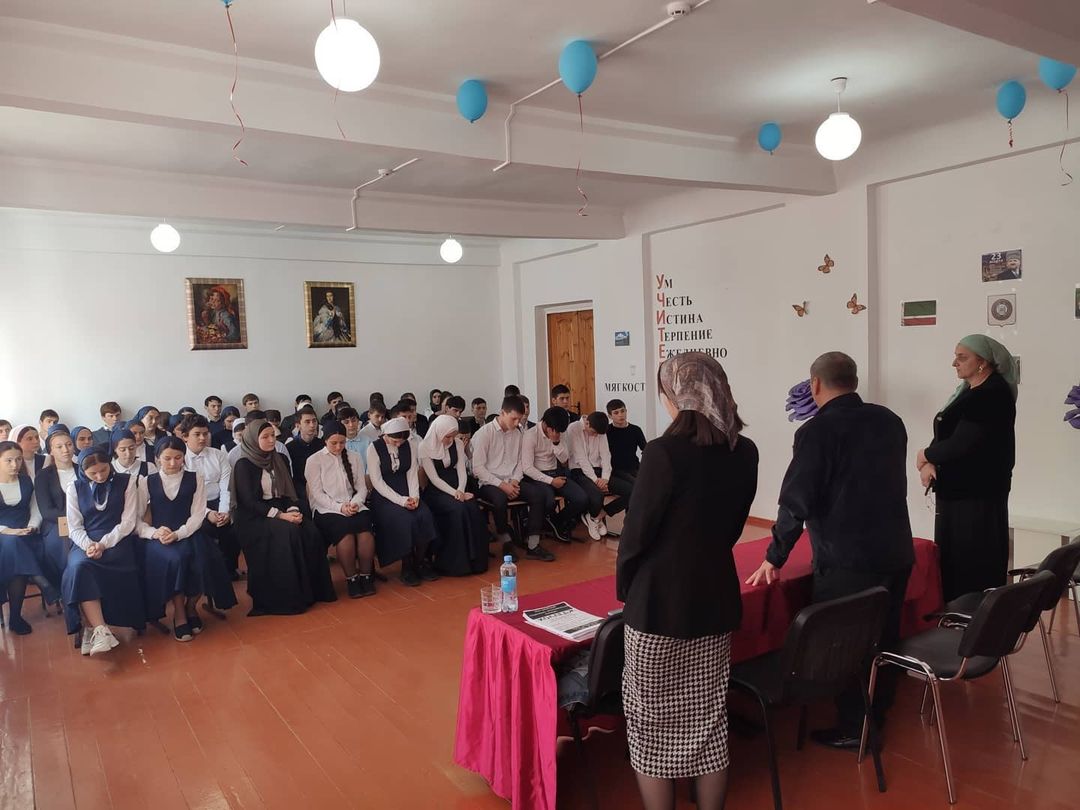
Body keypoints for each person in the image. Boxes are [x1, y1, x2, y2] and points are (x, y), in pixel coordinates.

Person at [746, 351, 914, 750]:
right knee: (884, 635)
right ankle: (878, 709)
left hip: (849, 559)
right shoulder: (890, 420)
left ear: (815, 385)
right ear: (853, 381)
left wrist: (774, 556)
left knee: (847, 644)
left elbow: (796, 500)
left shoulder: (817, 431)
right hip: (896, 550)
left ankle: (856, 727)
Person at [617, 352, 758, 810]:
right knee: (708, 719)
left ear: (676, 397)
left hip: (658, 604)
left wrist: (626, 589)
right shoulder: (745, 451)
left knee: (650, 723)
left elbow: (635, 536)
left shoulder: (663, 452)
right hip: (715, 598)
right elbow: (733, 529)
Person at [917, 335, 1018, 602]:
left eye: (962, 357)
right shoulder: (970, 391)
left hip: (975, 494)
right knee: (955, 562)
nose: (955, 363)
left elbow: (963, 443)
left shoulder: (991, 394)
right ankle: (957, 615)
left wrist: (924, 455)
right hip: (960, 492)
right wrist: (930, 460)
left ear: (983, 362)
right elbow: (947, 433)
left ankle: (972, 618)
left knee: (971, 564)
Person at [230, 419, 336, 615]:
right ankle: (286, 599)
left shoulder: (279, 458)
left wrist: (293, 509)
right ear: (253, 440)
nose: (272, 440)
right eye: (265, 437)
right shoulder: (243, 465)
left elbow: (289, 490)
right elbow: (249, 502)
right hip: (254, 517)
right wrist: (282, 516)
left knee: (310, 531)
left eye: (273, 435)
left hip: (281, 507)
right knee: (288, 532)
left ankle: (312, 592)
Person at [61, 446, 146, 656]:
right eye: (93, 473)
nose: (100, 476)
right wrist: (89, 545)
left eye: (104, 470)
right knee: (79, 566)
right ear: (83, 472)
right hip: (85, 541)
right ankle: (100, 630)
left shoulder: (127, 481)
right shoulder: (74, 488)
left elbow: (128, 522)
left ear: (110, 465)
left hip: (117, 539)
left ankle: (94, 630)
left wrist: (103, 544)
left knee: (109, 562)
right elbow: (74, 526)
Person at [136, 436, 206, 641]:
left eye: (178, 457)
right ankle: (180, 613)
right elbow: (136, 520)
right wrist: (154, 533)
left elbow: (198, 514)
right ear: (157, 459)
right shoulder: (147, 482)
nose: (173, 463)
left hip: (188, 533)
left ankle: (191, 606)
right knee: (176, 560)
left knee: (204, 561)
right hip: (160, 538)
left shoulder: (196, 478)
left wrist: (179, 533)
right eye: (167, 458)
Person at [305, 420, 377, 598]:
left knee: (365, 532)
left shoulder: (354, 457)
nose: (338, 447)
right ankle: (351, 579)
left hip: (354, 505)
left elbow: (361, 488)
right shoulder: (314, 460)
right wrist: (340, 507)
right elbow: (316, 494)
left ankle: (366, 576)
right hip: (327, 509)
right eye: (334, 443)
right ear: (325, 441)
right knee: (345, 534)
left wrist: (355, 503)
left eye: (342, 442)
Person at [366, 416, 439, 586]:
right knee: (405, 520)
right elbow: (377, 482)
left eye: (401, 441)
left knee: (425, 516)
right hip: (385, 496)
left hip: (408, 491)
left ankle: (419, 562)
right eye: (395, 441)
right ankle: (406, 566)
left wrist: (415, 497)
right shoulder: (373, 448)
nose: (399, 444)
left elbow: (412, 473)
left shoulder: (410, 446)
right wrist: (401, 501)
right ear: (386, 435)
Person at [417, 415, 492, 575]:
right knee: (458, 509)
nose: (450, 440)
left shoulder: (457, 443)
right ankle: (454, 563)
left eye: (453, 436)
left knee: (472, 508)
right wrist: (455, 493)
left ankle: (476, 561)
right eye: (447, 436)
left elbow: (461, 470)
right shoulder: (424, 447)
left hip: (458, 486)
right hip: (437, 491)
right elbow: (434, 478)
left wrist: (461, 490)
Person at [0, 440, 62, 634]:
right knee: (12, 544)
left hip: (25, 534)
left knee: (17, 559)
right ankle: (41, 581)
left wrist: (31, 526)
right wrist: (8, 531)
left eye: (18, 459)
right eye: (9, 460)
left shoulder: (26, 481)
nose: (15, 464)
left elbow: (36, 508)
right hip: (2, 534)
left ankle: (16, 616)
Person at [181, 415, 242, 583]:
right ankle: (209, 573)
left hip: (220, 501)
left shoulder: (218, 455)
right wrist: (207, 513)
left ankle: (229, 569)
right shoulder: (180, 458)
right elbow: (187, 493)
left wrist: (224, 511)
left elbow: (226, 485)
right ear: (185, 436)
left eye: (205, 433)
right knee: (205, 530)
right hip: (192, 506)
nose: (203, 438)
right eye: (197, 434)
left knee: (233, 529)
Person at [520, 406, 588, 546]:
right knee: (549, 502)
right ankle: (545, 526)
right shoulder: (530, 435)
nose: (557, 433)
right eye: (555, 430)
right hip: (537, 477)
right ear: (545, 424)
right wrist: (551, 481)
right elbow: (527, 468)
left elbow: (564, 460)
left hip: (556, 473)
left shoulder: (559, 434)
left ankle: (555, 522)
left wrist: (556, 442)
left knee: (581, 499)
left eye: (559, 431)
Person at [471, 396, 529, 557]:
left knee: (538, 494)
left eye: (519, 419)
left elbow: (520, 462)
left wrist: (515, 480)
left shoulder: (517, 433)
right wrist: (503, 485)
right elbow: (478, 468)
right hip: (489, 482)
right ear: (502, 413)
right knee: (500, 500)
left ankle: (532, 542)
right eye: (514, 418)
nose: (517, 423)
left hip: (512, 480)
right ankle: (506, 541)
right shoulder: (484, 433)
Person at [565, 412, 629, 539]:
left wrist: (605, 478)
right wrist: (595, 480)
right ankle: (593, 517)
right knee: (597, 495)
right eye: (594, 432)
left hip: (600, 472)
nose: (595, 435)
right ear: (587, 423)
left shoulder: (600, 429)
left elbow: (606, 455)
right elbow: (581, 459)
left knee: (632, 491)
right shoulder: (573, 428)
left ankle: (596, 516)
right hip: (579, 471)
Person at [36, 428, 78, 585]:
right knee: (62, 544)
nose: (65, 450)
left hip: (86, 520)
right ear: (51, 451)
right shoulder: (43, 475)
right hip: (56, 522)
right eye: (59, 447)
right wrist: (73, 519)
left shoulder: (83, 470)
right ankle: (66, 586)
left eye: (69, 445)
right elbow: (46, 511)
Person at [285, 407, 324, 511]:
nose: (312, 425)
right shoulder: (289, 448)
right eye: (307, 422)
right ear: (298, 425)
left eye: (314, 421)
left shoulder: (323, 445)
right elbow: (290, 477)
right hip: (299, 490)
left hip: (323, 487)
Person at [606, 398, 647, 494]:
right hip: (616, 469)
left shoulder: (635, 429)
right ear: (610, 416)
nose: (620, 415)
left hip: (634, 467)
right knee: (637, 488)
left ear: (626, 411)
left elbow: (645, 449)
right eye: (616, 413)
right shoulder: (607, 431)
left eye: (622, 411)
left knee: (649, 484)